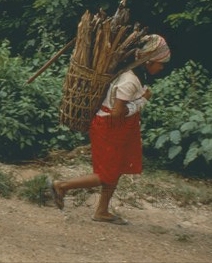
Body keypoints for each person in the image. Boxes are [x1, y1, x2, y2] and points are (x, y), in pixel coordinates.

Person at [51, 34, 171, 225]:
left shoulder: (139, 75)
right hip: (109, 127)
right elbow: (117, 113)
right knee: (105, 174)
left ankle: (102, 210)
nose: (162, 67)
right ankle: (62, 186)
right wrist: (143, 101)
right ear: (149, 61)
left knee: (117, 169)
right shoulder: (130, 80)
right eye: (160, 63)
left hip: (120, 128)